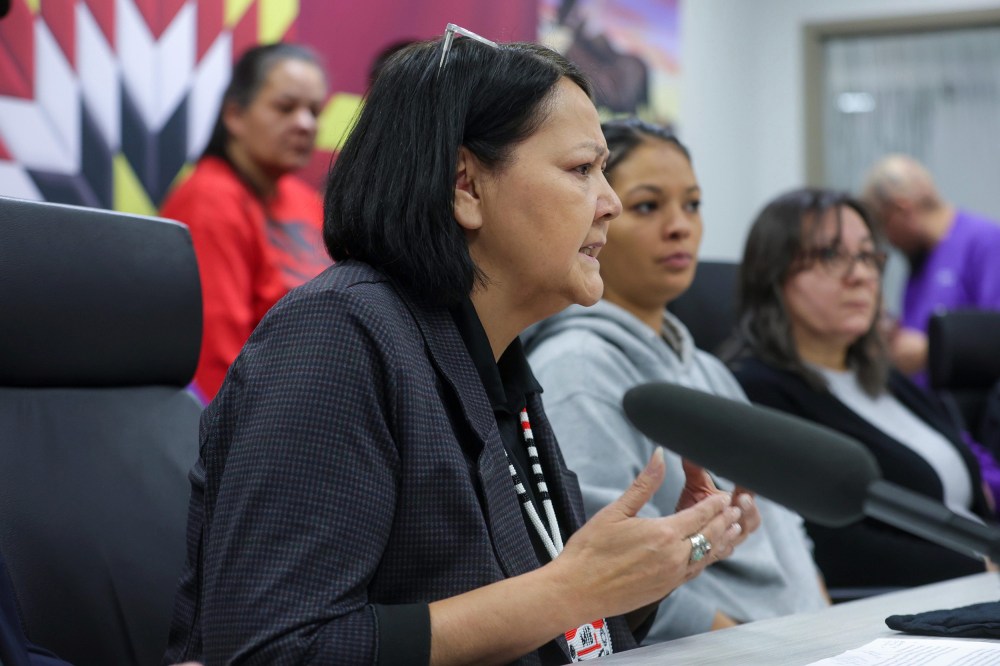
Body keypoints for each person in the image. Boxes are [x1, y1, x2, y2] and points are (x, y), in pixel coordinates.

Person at [162, 29, 759, 665]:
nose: (609, 203)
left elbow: (531, 623)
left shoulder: (495, 358)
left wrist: (653, 568)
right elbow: (273, 650)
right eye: (582, 169)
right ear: (465, 186)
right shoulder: (335, 337)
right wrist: (569, 589)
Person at [524, 118, 827, 643]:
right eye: (648, 206)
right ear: (597, 212)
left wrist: (829, 627)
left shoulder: (707, 368)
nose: (680, 226)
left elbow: (782, 525)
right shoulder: (578, 367)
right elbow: (613, 573)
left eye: (692, 205)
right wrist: (754, 648)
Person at [724, 186, 995, 590]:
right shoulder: (757, 391)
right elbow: (830, 546)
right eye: (830, 255)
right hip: (910, 603)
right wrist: (980, 568)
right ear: (773, 273)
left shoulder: (885, 377)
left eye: (868, 255)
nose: (861, 275)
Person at [159, 43, 331, 402]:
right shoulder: (209, 200)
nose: (305, 124)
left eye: (314, 111)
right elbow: (212, 360)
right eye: (285, 107)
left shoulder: (305, 200)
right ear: (235, 115)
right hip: (255, 421)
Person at [861, 154, 1000, 384]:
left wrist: (933, 351)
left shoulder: (986, 243)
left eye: (883, 226)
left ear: (902, 210)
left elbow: (994, 334)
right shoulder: (919, 258)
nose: (888, 241)